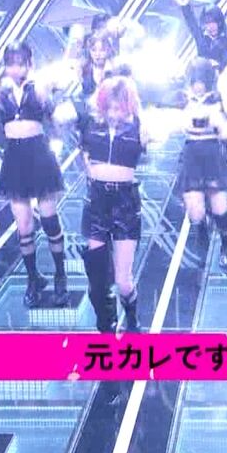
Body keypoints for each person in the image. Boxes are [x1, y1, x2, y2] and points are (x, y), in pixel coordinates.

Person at [0, 43, 68, 308]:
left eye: (20, 63)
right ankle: (33, 279)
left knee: (49, 220)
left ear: (29, 63)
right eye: (10, 63)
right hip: (14, 158)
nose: (15, 69)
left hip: (39, 155)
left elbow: (56, 117)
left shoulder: (39, 86)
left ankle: (60, 275)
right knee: (23, 226)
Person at [75, 76, 151, 332]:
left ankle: (132, 319)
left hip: (125, 202)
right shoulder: (90, 124)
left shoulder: (139, 125)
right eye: (109, 107)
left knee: (123, 280)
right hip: (96, 201)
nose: (114, 113)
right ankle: (106, 323)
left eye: (119, 107)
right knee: (97, 276)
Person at [173, 59, 227, 268]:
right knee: (196, 213)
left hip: (214, 157)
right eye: (195, 82)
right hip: (192, 157)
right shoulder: (182, 99)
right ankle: (202, 239)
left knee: (221, 212)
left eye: (201, 82)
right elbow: (173, 123)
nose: (198, 87)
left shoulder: (220, 101)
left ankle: (226, 247)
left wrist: (218, 121)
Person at [168, 0, 227, 67]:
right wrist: (185, 4)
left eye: (213, 22)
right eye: (207, 23)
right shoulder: (203, 42)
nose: (211, 26)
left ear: (219, 22)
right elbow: (193, 24)